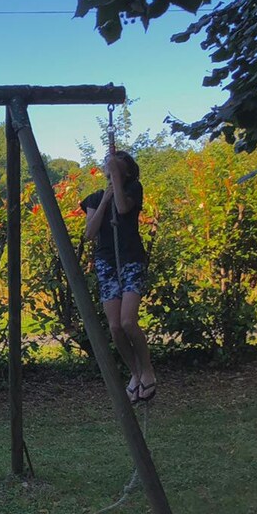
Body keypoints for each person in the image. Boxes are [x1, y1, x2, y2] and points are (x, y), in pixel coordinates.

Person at [82, 148, 157, 404]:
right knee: (114, 327)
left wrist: (116, 182)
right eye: (109, 163)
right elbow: (89, 233)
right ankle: (135, 374)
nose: (110, 165)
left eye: (117, 164)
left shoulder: (134, 189)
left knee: (127, 322)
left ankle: (147, 370)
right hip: (107, 262)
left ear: (127, 170)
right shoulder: (94, 198)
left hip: (130, 259)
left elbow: (124, 209)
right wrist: (105, 200)